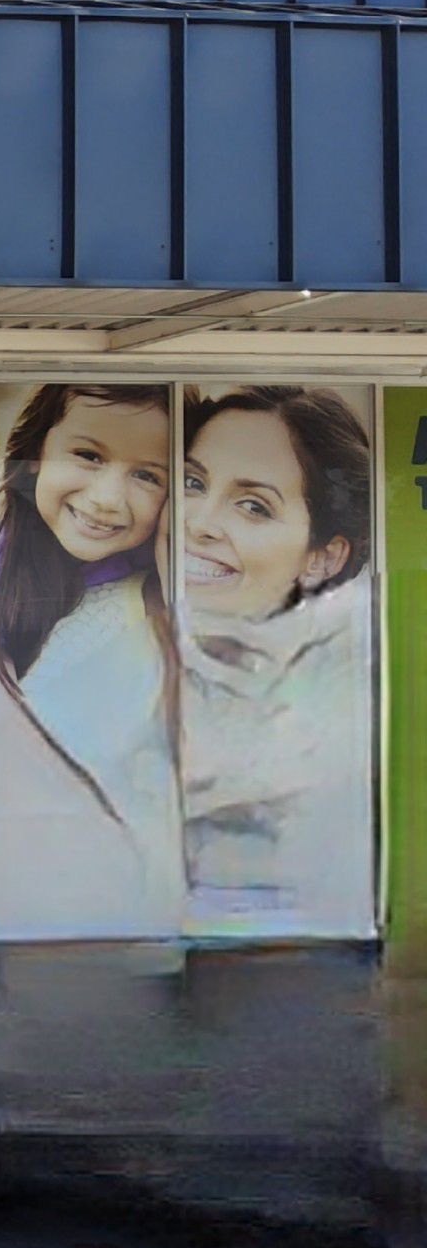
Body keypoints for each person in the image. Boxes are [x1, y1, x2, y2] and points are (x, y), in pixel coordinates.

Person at [0, 383, 184, 932]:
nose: (107, 498)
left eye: (147, 475)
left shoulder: (150, 588)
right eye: (88, 456)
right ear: (36, 450)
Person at [174, 386, 374, 936]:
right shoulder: (110, 644)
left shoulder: (359, 684)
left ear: (324, 556)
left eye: (253, 505)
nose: (199, 522)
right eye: (192, 483)